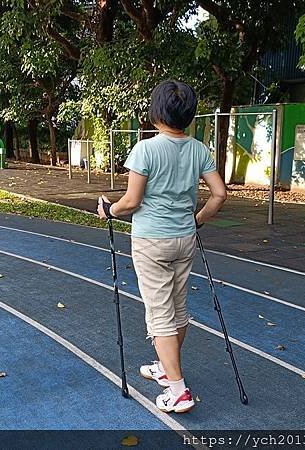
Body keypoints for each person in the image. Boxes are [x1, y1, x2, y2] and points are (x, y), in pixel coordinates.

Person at [97, 80, 227, 413]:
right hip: (185, 239)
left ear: (156, 111)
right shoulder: (199, 149)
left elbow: (131, 201)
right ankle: (164, 366)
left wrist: (108, 210)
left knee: (159, 314)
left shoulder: (145, 149)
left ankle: (179, 390)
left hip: (152, 241)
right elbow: (220, 194)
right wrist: (198, 219)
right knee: (177, 308)